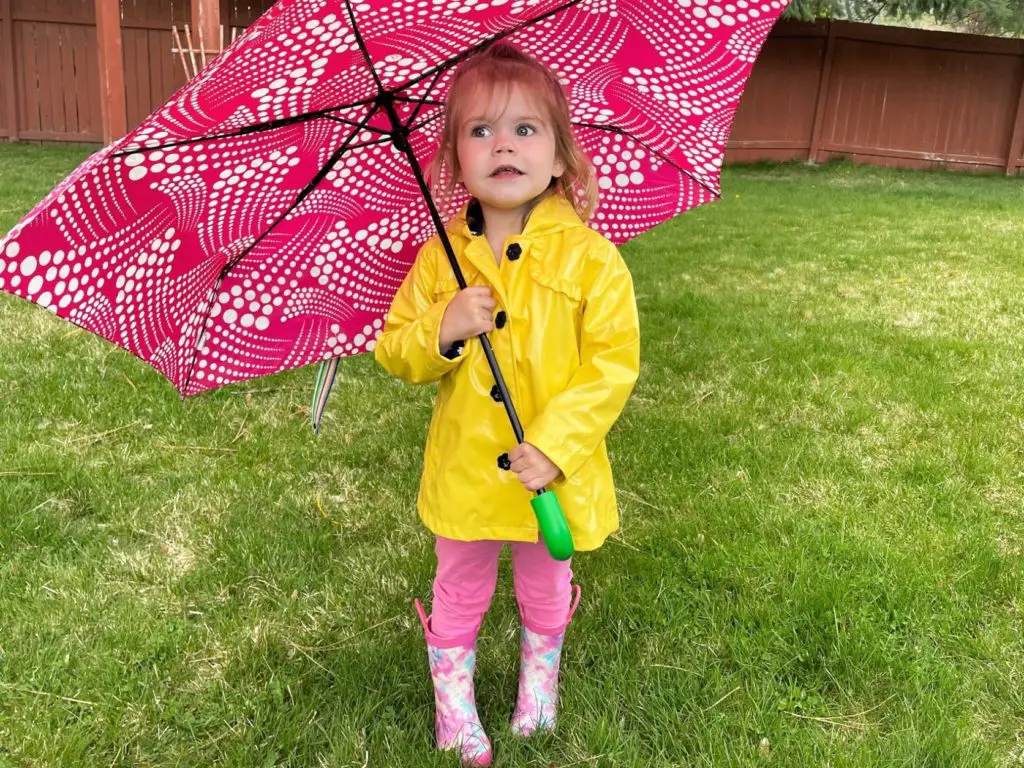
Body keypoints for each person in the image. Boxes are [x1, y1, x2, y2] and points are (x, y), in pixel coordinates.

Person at [374, 40, 640, 767]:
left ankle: (539, 687)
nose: (503, 145)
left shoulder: (592, 260)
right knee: (458, 579)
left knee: (546, 577)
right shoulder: (440, 260)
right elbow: (395, 350)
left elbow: (610, 364)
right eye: (480, 130)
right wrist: (444, 329)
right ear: (454, 160)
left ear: (559, 157)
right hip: (467, 469)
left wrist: (554, 444)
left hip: (551, 470)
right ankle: (454, 706)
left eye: (525, 129)